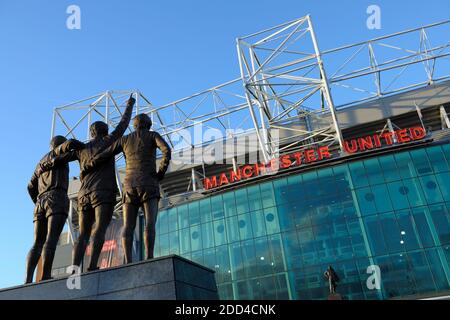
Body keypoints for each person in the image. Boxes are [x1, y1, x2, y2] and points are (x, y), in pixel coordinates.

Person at [41, 95, 135, 272]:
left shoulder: (81, 149)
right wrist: (130, 104)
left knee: (83, 234)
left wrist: (45, 164)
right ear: (105, 132)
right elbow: (123, 123)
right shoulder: (110, 140)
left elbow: (60, 158)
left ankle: (75, 269)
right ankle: (92, 266)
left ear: (92, 133)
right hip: (103, 192)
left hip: (83, 194)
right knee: (99, 229)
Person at [84, 113, 171, 263]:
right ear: (148, 125)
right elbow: (166, 151)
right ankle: (149, 257)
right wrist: (160, 172)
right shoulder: (152, 135)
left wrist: (88, 165)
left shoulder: (124, 139)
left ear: (135, 125)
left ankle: (129, 260)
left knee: (128, 226)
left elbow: (105, 154)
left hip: (129, 186)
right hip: (149, 183)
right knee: (149, 223)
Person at [25, 136, 83, 283]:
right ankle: (45, 275)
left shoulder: (40, 163)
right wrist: (85, 146)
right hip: (56, 197)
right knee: (51, 239)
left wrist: (37, 200)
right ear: (59, 145)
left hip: (40, 201)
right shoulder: (58, 153)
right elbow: (71, 144)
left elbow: (30, 186)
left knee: (37, 242)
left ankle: (28, 279)